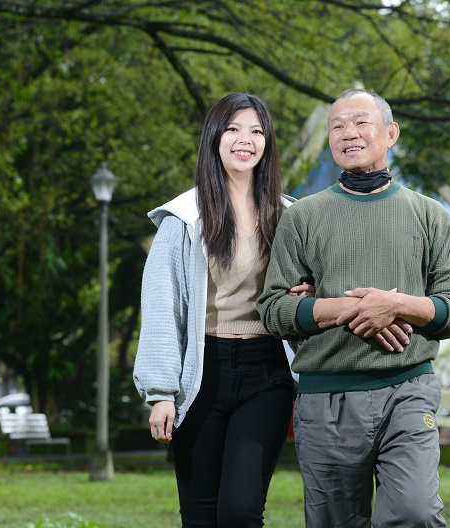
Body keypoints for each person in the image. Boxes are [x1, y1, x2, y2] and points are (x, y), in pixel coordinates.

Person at [257, 88, 450, 528]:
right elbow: (273, 309)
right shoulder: (303, 217)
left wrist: (394, 304)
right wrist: (344, 311)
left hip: (407, 388)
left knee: (415, 513)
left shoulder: (430, 215)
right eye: (337, 126)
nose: (347, 133)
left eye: (360, 122)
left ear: (390, 133)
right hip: (326, 396)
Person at [133, 92, 315, 528]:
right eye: (233, 128)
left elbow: (311, 289)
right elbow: (161, 307)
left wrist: (307, 294)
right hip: (201, 373)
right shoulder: (183, 219)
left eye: (256, 131)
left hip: (266, 374)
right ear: (215, 137)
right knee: (199, 514)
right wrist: (160, 393)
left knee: (240, 511)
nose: (244, 140)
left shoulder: (288, 217)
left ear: (267, 142)